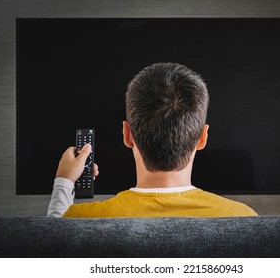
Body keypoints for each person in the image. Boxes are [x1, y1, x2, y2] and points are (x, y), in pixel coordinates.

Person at [47, 62, 257, 217]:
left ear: (127, 135)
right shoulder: (245, 219)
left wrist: (63, 183)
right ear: (202, 138)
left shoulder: (81, 219)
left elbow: (52, 243)